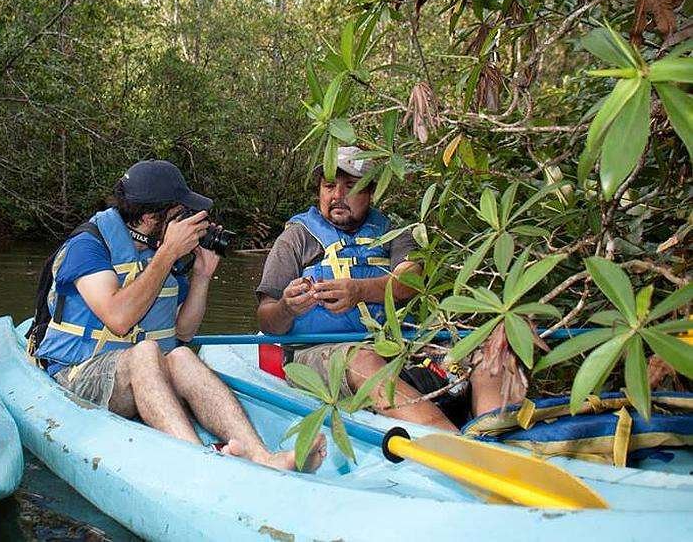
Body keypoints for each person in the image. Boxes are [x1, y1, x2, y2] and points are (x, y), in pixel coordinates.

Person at [34, 160, 325, 471]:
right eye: (179, 215)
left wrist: (201, 276)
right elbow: (118, 319)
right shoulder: (88, 247)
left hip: (140, 375)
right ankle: (197, 459)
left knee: (182, 356)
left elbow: (182, 333)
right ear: (149, 217)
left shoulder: (159, 254)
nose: (187, 222)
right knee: (145, 353)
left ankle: (264, 457)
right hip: (77, 374)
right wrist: (168, 253)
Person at [256, 146, 525, 432]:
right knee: (362, 359)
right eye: (330, 186)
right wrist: (287, 308)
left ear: (371, 192)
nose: (337, 196)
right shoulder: (294, 239)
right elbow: (266, 317)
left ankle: (495, 434)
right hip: (317, 350)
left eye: (351, 186)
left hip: (398, 342)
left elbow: (410, 279)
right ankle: (454, 445)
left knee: (488, 349)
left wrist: (359, 291)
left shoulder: (393, 233)